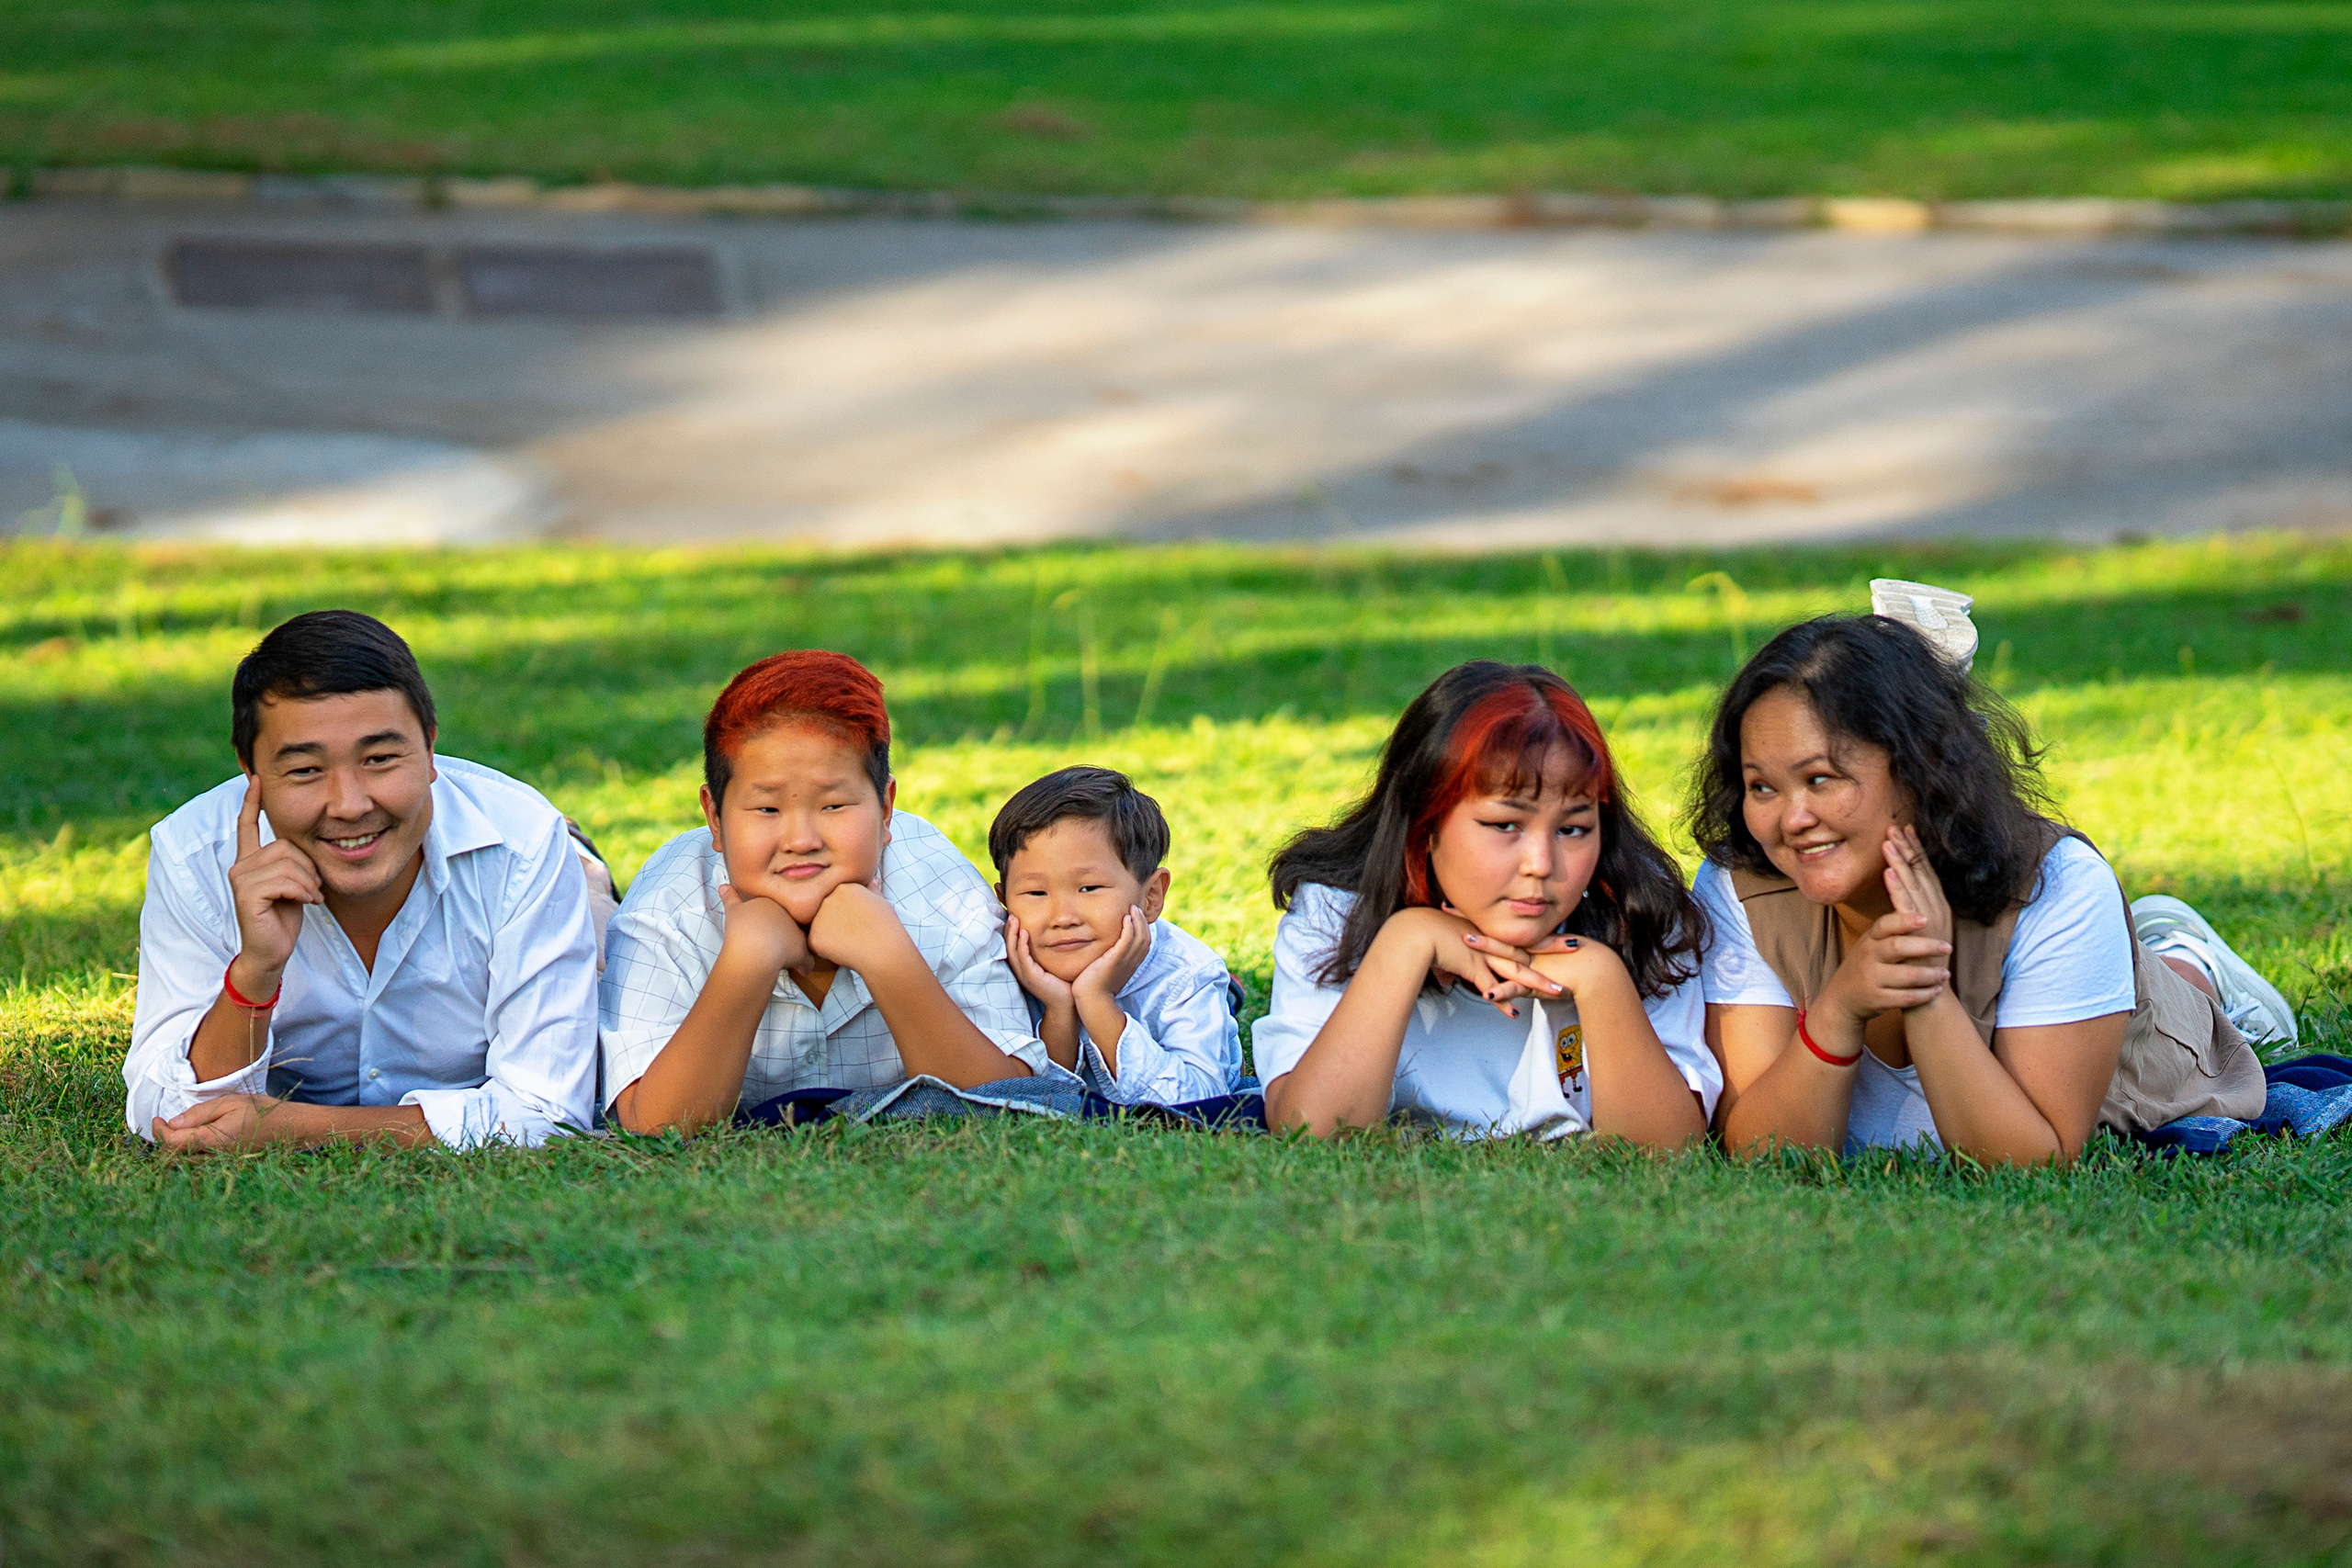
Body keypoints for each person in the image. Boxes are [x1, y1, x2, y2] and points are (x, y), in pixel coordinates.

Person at [1688, 611, 2278, 1167]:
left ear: (1919, 769)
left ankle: (2191, 956)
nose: (1792, 819)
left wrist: (1925, 991)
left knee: (2174, 1000)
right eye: (1761, 787)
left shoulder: (2058, 885)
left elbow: (2029, 1162)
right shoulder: (1741, 888)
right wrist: (1839, 1010)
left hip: (2152, 1047)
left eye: (1821, 779)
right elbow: (1762, 1152)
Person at [124, 611, 603, 1151]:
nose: (349, 805)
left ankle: (582, 862)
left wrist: (291, 1128)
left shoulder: (523, 845)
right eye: (306, 770)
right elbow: (168, 1113)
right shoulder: (193, 854)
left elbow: (549, 1111)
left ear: (430, 749)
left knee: (596, 928)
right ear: (249, 771)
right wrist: (255, 972)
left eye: (379, 759)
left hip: (546, 866)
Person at [1252, 661, 1721, 1143]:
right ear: (1425, 824)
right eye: (1505, 825)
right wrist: (1406, 943)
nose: (1540, 864)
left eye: (1572, 829)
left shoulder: (1644, 916)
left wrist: (1602, 980)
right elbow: (1313, 1131)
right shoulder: (1337, 910)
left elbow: (1665, 1149)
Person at [599, 650, 1047, 1134]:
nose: (801, 840)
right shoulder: (670, 903)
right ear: (715, 817)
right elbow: (651, 1126)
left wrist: (889, 958)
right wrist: (746, 963)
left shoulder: (941, 888)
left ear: (886, 808)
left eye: (833, 805)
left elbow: (1009, 1101)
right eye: (767, 810)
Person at [990, 766, 1243, 1105]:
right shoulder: (1001, 966)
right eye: (1036, 893)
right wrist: (1059, 1009)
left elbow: (1200, 1102)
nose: (1063, 918)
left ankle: (1227, 996)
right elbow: (1039, 1098)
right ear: (1004, 901)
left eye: (1089, 888)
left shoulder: (1187, 976)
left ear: (1151, 896)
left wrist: (1096, 999)